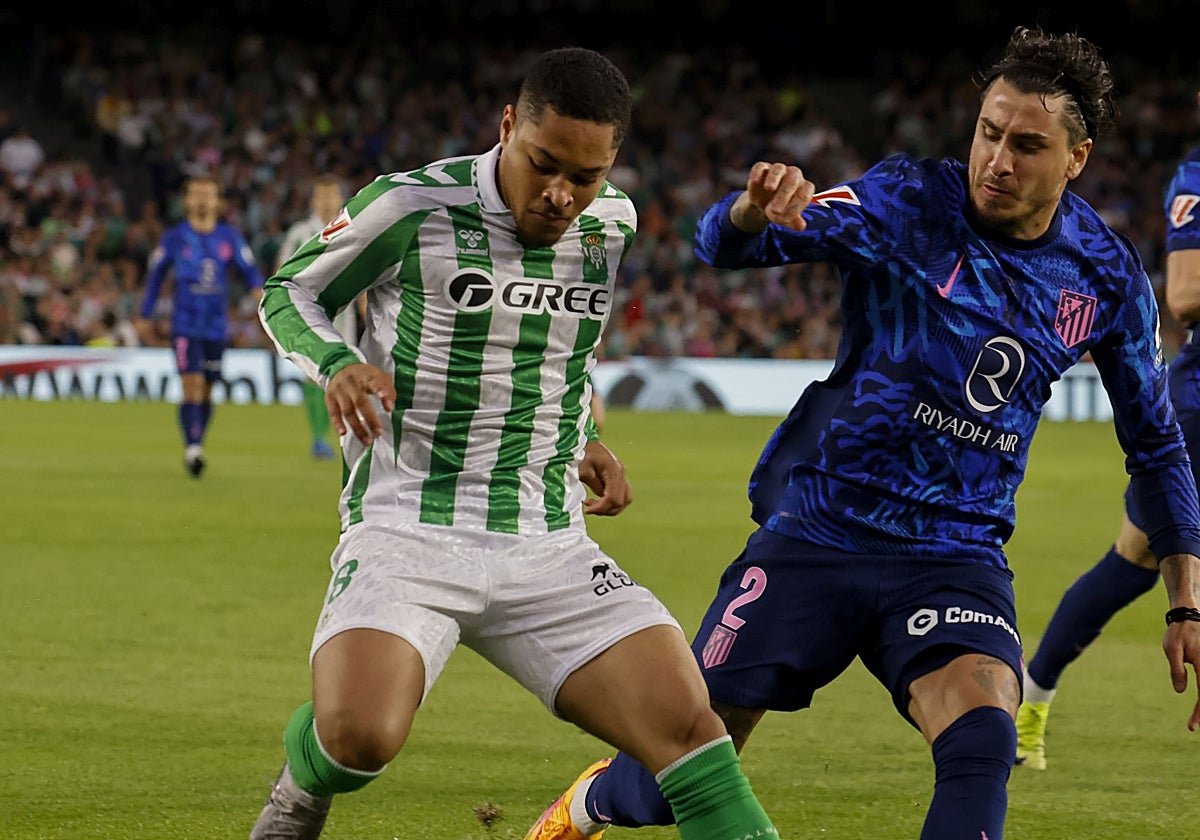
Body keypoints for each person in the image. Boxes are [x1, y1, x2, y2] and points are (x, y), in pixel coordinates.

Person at [525, 27, 1200, 840]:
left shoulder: (1104, 273)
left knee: (985, 731)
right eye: (989, 133)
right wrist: (748, 209)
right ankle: (594, 802)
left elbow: (1156, 443)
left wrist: (1185, 603)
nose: (998, 160)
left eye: (1028, 145)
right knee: (678, 778)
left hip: (956, 553)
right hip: (821, 530)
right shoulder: (906, 200)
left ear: (1077, 157)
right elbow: (726, 245)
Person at [248, 47, 780, 840]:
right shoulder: (412, 206)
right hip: (409, 525)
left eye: (587, 175)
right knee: (358, 739)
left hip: (548, 541)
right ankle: (301, 790)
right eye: (545, 165)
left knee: (693, 737)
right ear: (508, 127)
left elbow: (563, 350)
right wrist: (339, 362)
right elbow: (289, 290)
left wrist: (589, 431)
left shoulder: (613, 223)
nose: (563, 194)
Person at [1014, 87, 1200, 770]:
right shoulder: (1197, 177)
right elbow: (1182, 294)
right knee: (1136, 561)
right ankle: (1030, 703)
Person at [136, 173, 265, 477]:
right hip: (185, 326)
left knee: (207, 388)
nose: (203, 200)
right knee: (191, 384)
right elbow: (154, 280)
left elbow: (251, 273)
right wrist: (144, 315)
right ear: (186, 201)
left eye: (209, 194)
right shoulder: (174, 238)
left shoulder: (230, 237)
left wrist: (261, 299)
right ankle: (192, 448)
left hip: (217, 328)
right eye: (196, 194)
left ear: (218, 202)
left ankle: (197, 441)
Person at [275, 173, 364, 461]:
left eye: (331, 195)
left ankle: (336, 435)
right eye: (321, 195)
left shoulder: (354, 227)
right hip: (310, 309)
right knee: (315, 374)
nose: (326, 201)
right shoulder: (301, 232)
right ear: (314, 199)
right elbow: (282, 271)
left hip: (344, 314)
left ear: (340, 198)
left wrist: (365, 308)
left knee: (342, 372)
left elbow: (364, 273)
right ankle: (318, 437)